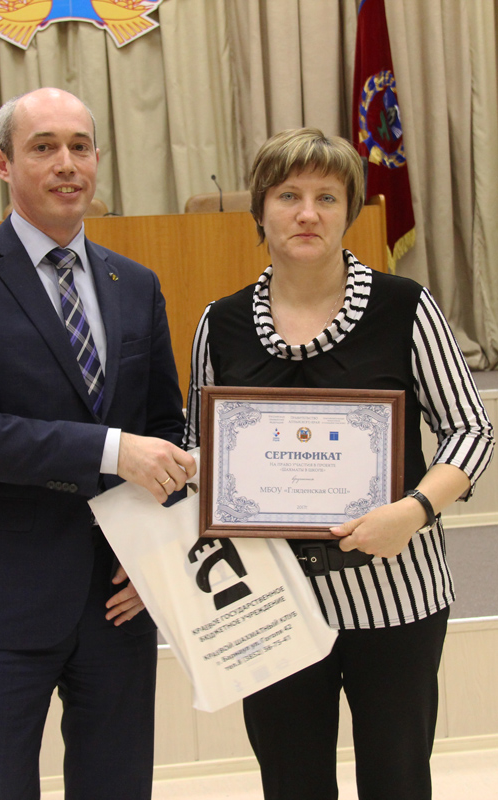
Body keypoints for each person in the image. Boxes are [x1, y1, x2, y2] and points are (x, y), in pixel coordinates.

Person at [183, 128, 494, 800]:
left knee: (397, 779)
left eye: (327, 197)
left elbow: (471, 431)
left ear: (349, 211)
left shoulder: (405, 308)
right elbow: (198, 453)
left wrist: (412, 511)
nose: (307, 213)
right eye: (288, 195)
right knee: (290, 782)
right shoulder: (221, 323)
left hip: (396, 591)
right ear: (259, 210)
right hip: (270, 604)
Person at [0, 87, 196, 800]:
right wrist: (111, 449)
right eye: (43, 147)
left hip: (119, 596)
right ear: (3, 163)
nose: (66, 163)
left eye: (79, 146)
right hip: (5, 597)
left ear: (97, 158)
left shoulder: (136, 284)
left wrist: (154, 551)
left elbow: (165, 426)